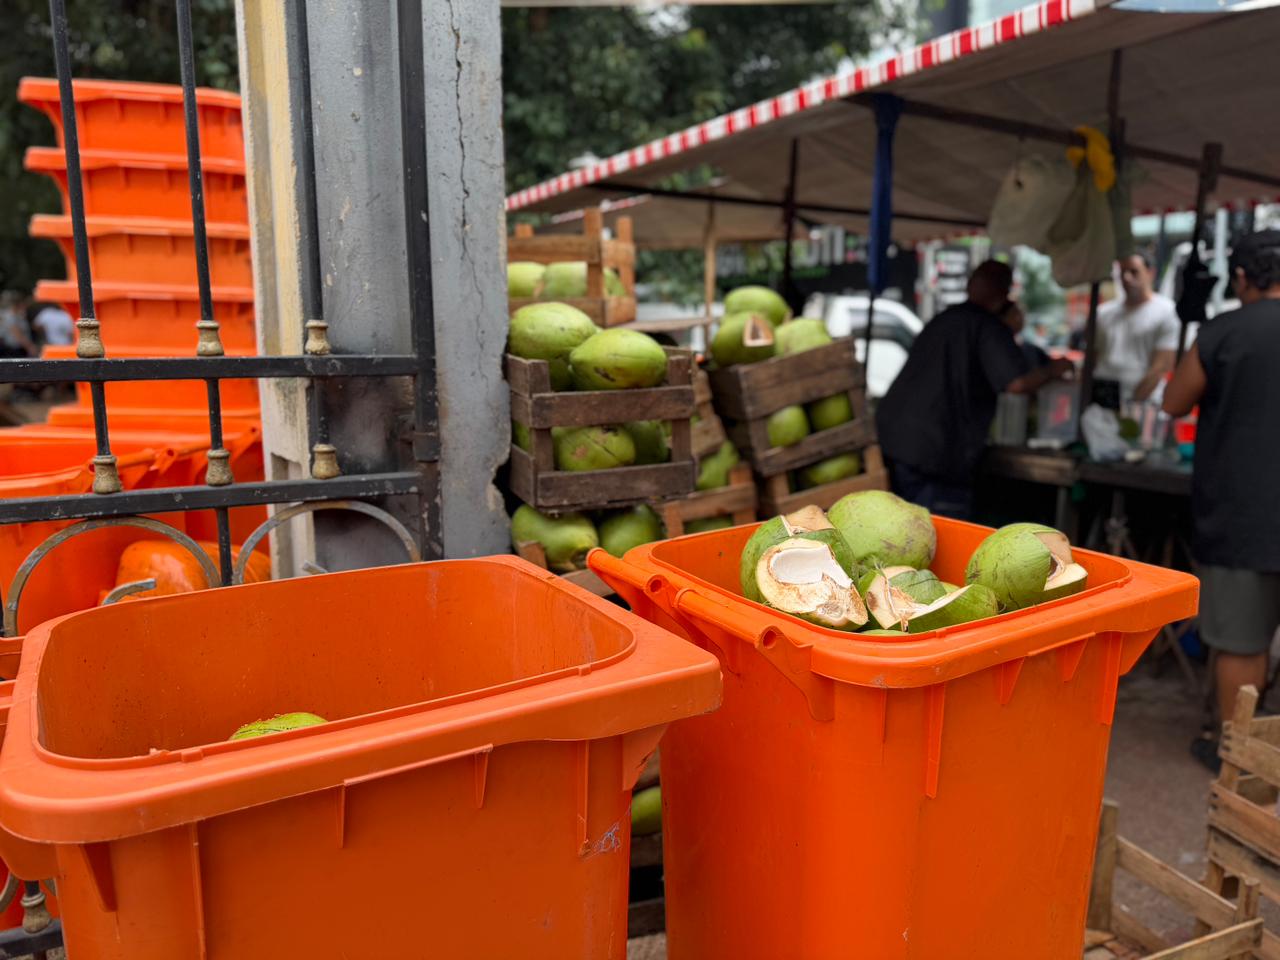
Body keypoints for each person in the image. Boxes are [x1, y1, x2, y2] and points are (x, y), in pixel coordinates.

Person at [1163, 230, 1280, 766]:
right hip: (1247, 514)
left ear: (1241, 277)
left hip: (1243, 513)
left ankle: (1241, 760)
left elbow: (1174, 401)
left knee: (1241, 643)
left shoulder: (1222, 332)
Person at [876, 260, 1073, 519]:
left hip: (896, 439)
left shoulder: (944, 319)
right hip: (935, 451)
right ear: (1005, 294)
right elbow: (1017, 383)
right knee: (932, 533)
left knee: (900, 525)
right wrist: (1053, 369)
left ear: (970, 285)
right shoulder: (988, 327)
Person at [1094, 252, 1180, 402]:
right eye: (1122, 273)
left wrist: (1134, 403)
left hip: (1144, 400)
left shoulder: (1167, 311)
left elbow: (1161, 366)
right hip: (1102, 397)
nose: (1126, 278)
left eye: (1134, 272)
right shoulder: (1103, 313)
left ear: (1150, 273)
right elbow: (1094, 357)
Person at [0, 291, 35, 358]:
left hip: (20, 348)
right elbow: (17, 334)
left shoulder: (18, 316)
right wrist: (29, 347)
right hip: (14, 349)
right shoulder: (10, 316)